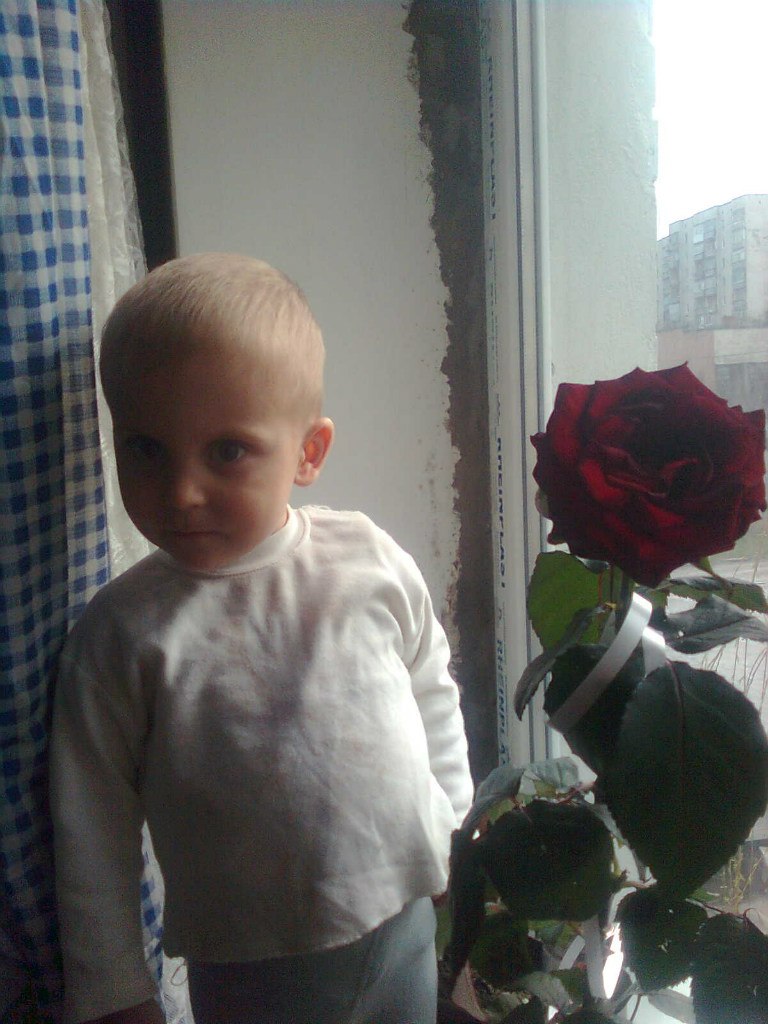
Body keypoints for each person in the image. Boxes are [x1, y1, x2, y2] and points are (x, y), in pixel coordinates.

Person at [49, 253, 474, 1024]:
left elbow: (429, 683)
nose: (181, 491)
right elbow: (91, 827)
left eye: (227, 451)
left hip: (406, 919)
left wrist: (451, 824)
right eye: (146, 448)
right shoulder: (122, 633)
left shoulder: (367, 559)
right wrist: (114, 988)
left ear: (308, 452)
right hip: (251, 965)